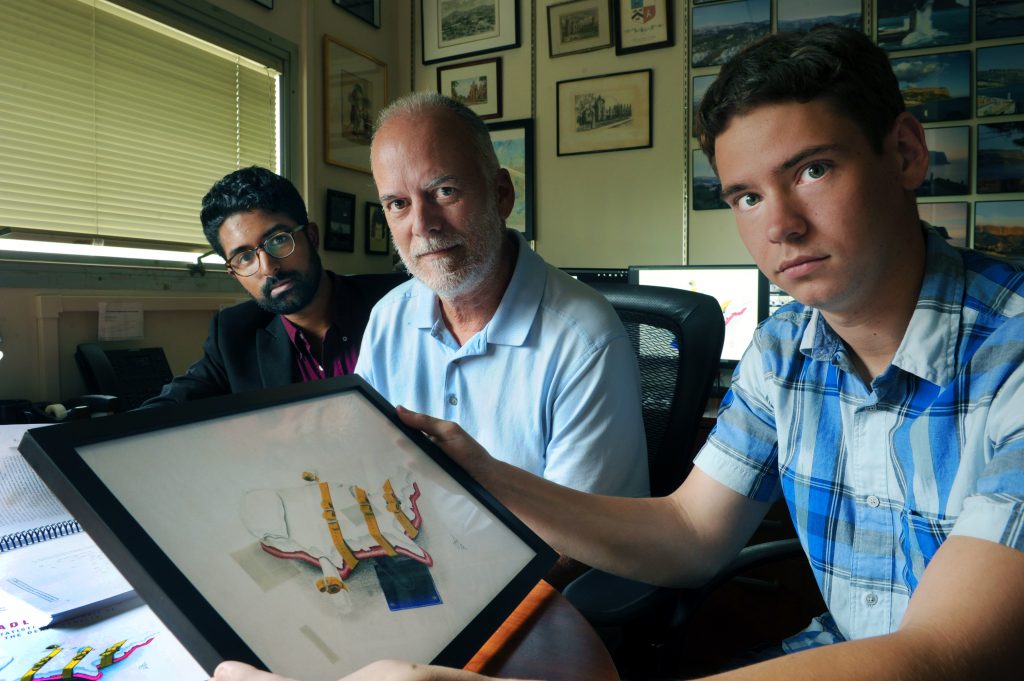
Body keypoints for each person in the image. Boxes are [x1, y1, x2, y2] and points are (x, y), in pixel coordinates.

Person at [213, 25, 1024, 681]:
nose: (777, 225)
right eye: (744, 195)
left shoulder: (1012, 351)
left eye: (813, 170)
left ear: (907, 154)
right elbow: (688, 532)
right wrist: (480, 467)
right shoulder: (786, 348)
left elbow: (948, 654)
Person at [354, 92, 649, 499]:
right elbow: (370, 474)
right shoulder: (387, 319)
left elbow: (582, 545)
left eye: (444, 191)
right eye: (399, 204)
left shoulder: (584, 340)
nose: (423, 226)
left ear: (502, 195)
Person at [142, 167, 375, 406]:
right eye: (244, 257)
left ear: (312, 237)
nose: (268, 267)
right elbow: (171, 406)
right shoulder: (234, 335)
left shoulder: (394, 304)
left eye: (278, 240)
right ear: (234, 273)